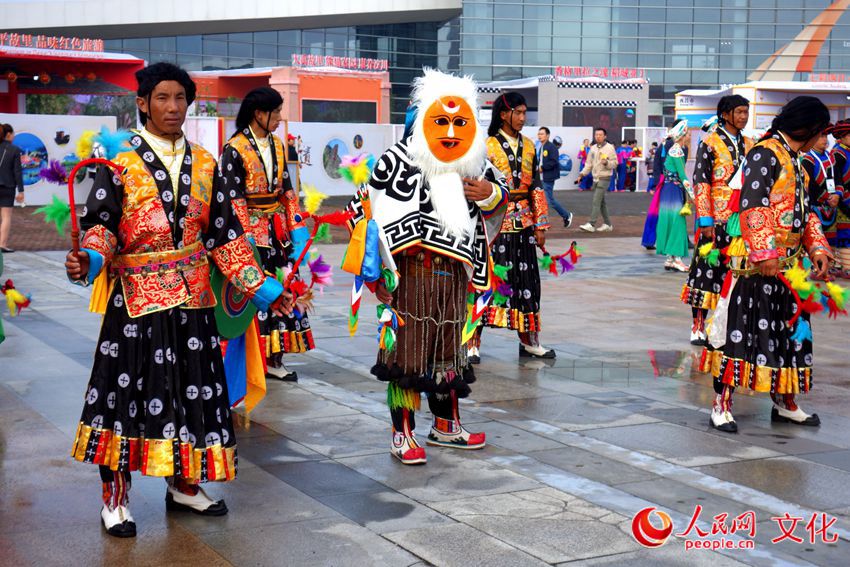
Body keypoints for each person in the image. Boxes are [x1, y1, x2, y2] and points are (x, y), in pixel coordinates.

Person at [65, 63, 292, 537]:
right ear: (143, 103)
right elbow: (101, 226)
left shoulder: (207, 163)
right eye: (162, 98)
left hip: (194, 300)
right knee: (125, 396)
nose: (173, 107)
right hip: (136, 301)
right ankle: (115, 498)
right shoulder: (116, 161)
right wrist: (90, 259)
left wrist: (267, 290)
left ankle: (185, 485)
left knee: (195, 393)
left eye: (180, 98)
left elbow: (226, 237)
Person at [346, 68, 508, 464]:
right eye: (441, 121)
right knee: (406, 354)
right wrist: (376, 273)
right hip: (408, 274)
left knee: (449, 352)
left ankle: (446, 425)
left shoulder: (474, 163)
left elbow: (501, 198)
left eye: (459, 122)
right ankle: (402, 433)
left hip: (454, 274)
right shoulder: (396, 160)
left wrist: (489, 193)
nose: (450, 132)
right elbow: (361, 212)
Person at [702, 96, 832, 433]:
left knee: (791, 334)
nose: (823, 139)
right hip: (757, 264)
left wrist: (817, 246)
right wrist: (765, 252)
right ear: (807, 128)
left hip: (791, 264)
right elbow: (752, 204)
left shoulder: (796, 159)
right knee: (741, 331)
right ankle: (721, 405)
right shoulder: (765, 154)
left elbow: (805, 211)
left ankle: (785, 401)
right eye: (821, 132)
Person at [219, 87, 314, 381]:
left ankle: (275, 358)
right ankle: (251, 360)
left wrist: (297, 229)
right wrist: (245, 238)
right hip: (251, 233)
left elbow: (287, 190)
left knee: (285, 285)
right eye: (276, 112)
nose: (279, 118)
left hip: (277, 230)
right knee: (256, 291)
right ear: (258, 114)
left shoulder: (278, 145)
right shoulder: (234, 149)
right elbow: (233, 198)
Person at [471, 91, 555, 361]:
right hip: (495, 222)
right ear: (503, 114)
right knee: (488, 279)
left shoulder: (530, 146)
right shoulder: (486, 146)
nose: (522, 118)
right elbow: (477, 185)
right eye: (517, 112)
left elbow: (536, 186)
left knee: (528, 281)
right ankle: (471, 341)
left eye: (524, 113)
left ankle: (529, 340)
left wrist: (540, 224)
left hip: (525, 223)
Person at [682, 95, 752, 345]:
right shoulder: (710, 143)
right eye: (739, 112)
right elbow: (701, 182)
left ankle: (726, 326)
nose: (743, 117)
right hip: (715, 219)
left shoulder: (750, 143)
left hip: (740, 220)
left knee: (736, 273)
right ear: (725, 114)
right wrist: (705, 219)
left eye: (746, 112)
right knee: (706, 271)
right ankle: (698, 325)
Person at [654, 120, 691, 272]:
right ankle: (677, 259)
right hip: (674, 191)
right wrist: (693, 195)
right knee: (678, 223)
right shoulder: (677, 151)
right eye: (688, 134)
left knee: (669, 221)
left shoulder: (674, 150)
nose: (689, 137)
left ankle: (670, 258)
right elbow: (683, 176)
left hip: (668, 190)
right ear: (682, 136)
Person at [802, 128, 839, 279]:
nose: (824, 140)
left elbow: (838, 178)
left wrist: (837, 195)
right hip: (815, 205)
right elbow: (810, 185)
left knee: (829, 239)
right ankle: (814, 269)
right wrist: (827, 197)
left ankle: (827, 269)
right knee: (815, 238)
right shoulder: (807, 159)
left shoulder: (830, 157)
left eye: (825, 136)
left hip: (830, 205)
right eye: (820, 136)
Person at [577, 128, 616, 232]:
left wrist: (607, 163)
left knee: (596, 200)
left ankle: (591, 223)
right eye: (596, 135)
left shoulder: (610, 148)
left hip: (604, 177)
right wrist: (582, 174)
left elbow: (615, 163)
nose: (598, 136)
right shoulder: (593, 148)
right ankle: (608, 224)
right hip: (595, 178)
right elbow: (588, 164)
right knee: (601, 202)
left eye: (600, 135)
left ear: (605, 136)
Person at [537, 126, 572, 227]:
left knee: (549, 201)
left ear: (547, 136)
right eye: (539, 134)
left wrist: (542, 168)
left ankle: (565, 215)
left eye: (542, 134)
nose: (540, 136)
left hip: (548, 177)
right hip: (542, 177)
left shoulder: (551, 147)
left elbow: (554, 161)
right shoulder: (542, 147)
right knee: (546, 199)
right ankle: (565, 216)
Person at [828, 119, 850, 278]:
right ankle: (844, 267)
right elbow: (837, 179)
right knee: (844, 235)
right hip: (842, 200)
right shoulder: (838, 153)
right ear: (842, 136)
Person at [0, 124, 25, 253]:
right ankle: (2, 244)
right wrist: (21, 191)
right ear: (8, 134)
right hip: (8, 187)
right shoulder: (14, 150)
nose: (14, 136)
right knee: (6, 217)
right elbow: (17, 172)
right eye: (13, 134)